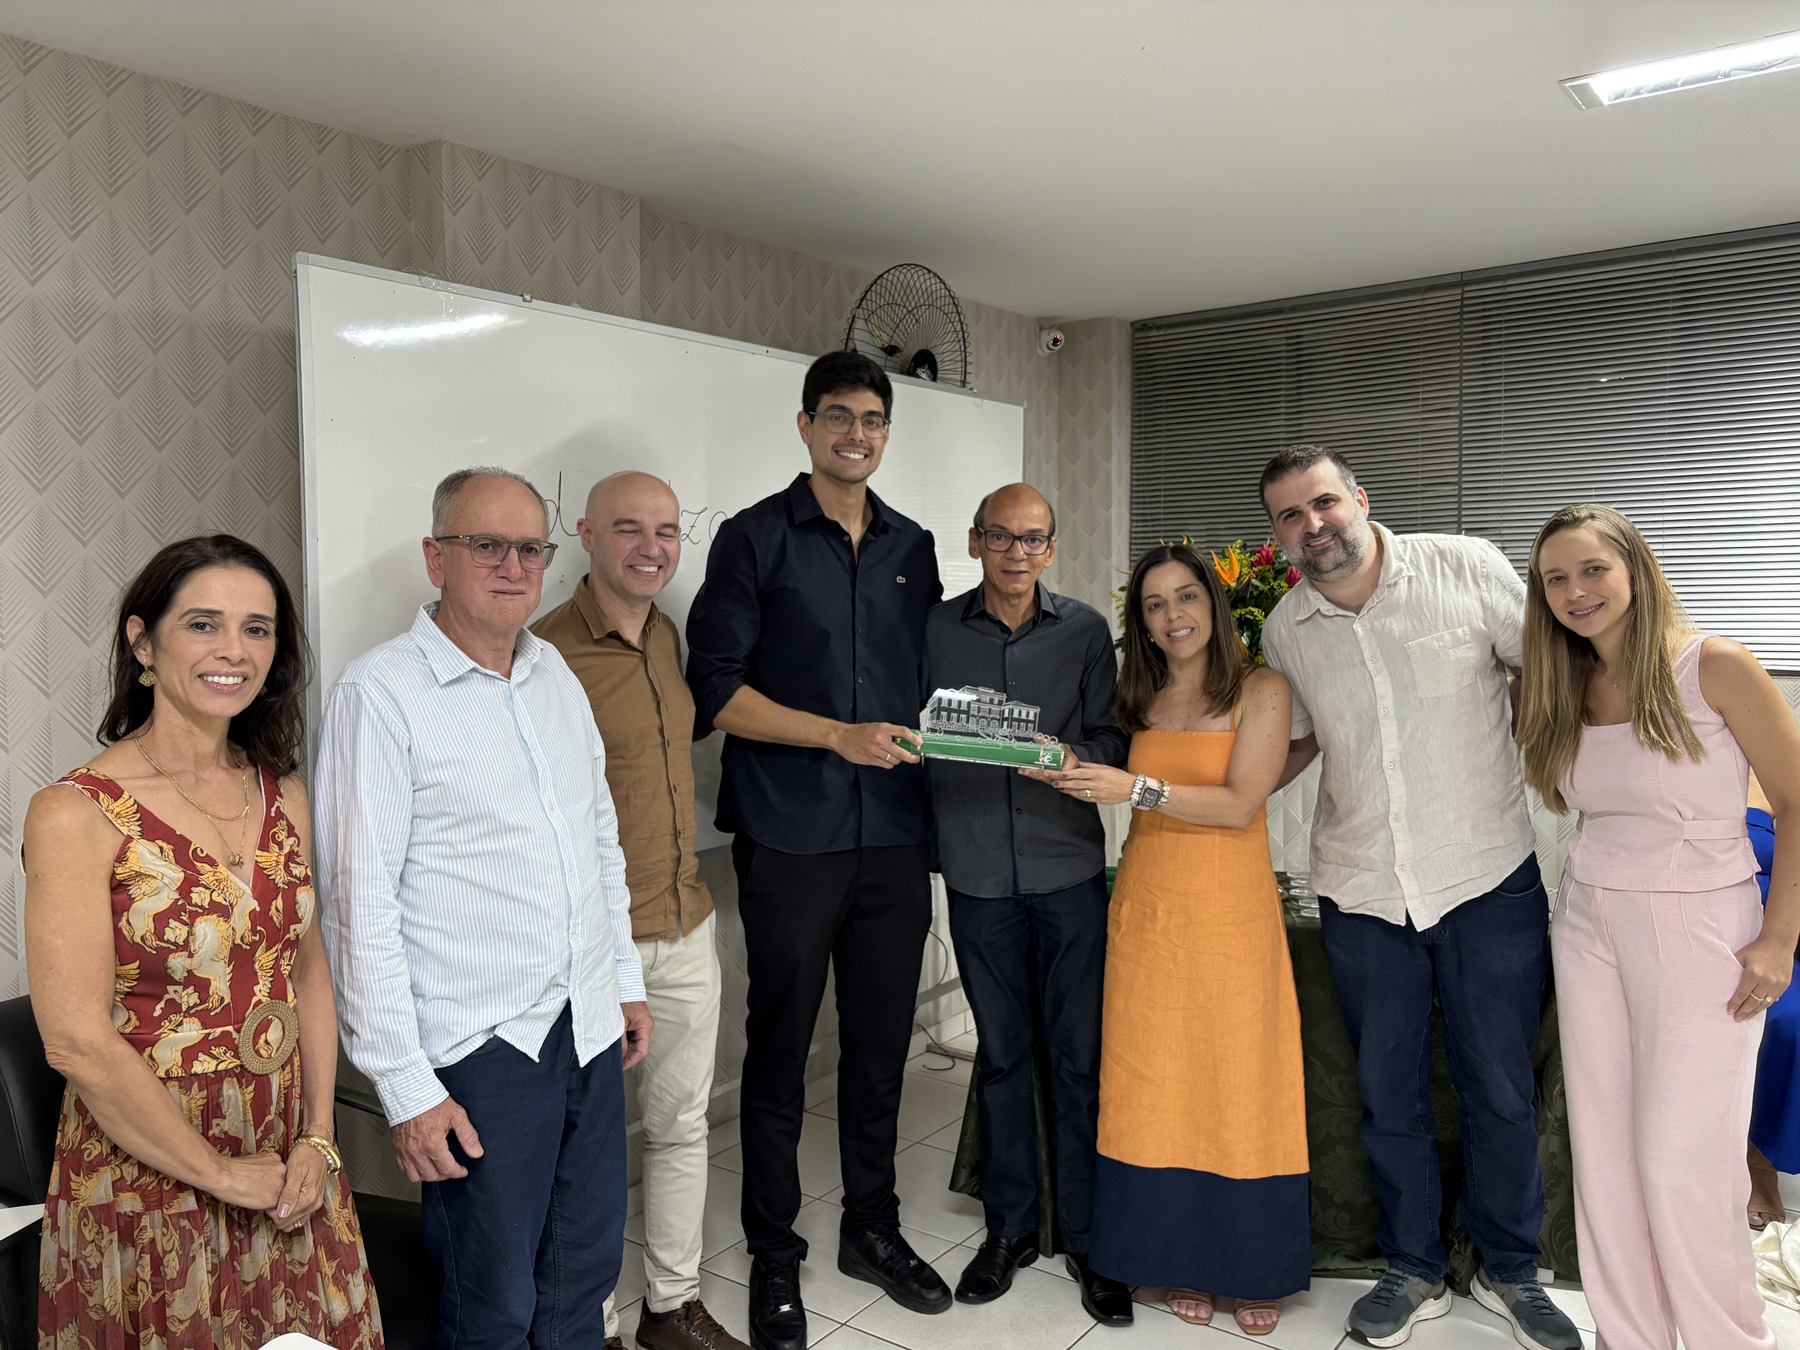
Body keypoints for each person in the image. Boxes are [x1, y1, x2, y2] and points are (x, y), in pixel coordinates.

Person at [315, 468, 649, 1347]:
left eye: (530, 548)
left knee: (582, 1276)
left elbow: (597, 842)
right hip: (480, 1052)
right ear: (437, 558)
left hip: (584, 1026)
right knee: (492, 1302)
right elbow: (357, 909)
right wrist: (404, 1088)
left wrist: (621, 980)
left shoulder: (554, 676)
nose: (512, 565)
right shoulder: (379, 695)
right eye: (486, 545)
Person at [24, 535, 383, 1347]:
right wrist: (220, 1174)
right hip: (149, 1163)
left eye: (257, 629)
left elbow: (305, 970)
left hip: (287, 1152)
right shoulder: (75, 812)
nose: (234, 650)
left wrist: (320, 1137)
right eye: (203, 624)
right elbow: (76, 1039)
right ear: (143, 642)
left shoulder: (282, 791)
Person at [1258, 445, 1579, 1350]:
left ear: (1360, 498)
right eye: (1290, 515)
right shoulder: (1286, 629)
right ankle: (1414, 1267)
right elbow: (1297, 742)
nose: (1313, 525)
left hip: (1487, 880)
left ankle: (1511, 1269)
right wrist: (1202, 793)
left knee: (1499, 1090)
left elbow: (1545, 670)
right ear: (1278, 535)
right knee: (1386, 1094)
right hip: (1361, 890)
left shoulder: (1465, 567)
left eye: (1324, 502)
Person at [685, 351, 948, 1350]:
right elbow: (717, 690)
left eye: (872, 419)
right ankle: (774, 1251)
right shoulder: (754, 539)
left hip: (896, 834)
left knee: (880, 1047)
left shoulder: (914, 546)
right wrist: (836, 735)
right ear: (805, 426)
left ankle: (871, 1228)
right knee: (783, 1049)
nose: (856, 434)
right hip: (792, 833)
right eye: (838, 416)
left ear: (885, 433)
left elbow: (930, 682)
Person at [1520, 502, 1799, 1350]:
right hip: (1587, 919)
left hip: (1700, 923)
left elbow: (1796, 801)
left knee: (1683, 1163)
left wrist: (1779, 939)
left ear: (1635, 569)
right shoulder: (1564, 682)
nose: (1576, 591)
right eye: (1556, 579)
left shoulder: (1713, 665)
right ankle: (1630, 1337)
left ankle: (1726, 1340)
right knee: (1604, 1160)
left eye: (1592, 569)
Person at [1027, 542, 1307, 1338]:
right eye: (1154, 604)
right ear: (1141, 622)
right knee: (1154, 1082)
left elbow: (1240, 802)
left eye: (1185, 596)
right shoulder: (1139, 694)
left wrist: (1135, 788)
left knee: (1239, 1079)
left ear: (1213, 602)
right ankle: (1173, 1259)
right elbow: (1109, 775)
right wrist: (1062, 767)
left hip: (1230, 910)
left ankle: (1251, 1268)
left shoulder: (1262, 688)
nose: (1172, 615)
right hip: (1148, 909)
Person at [531, 471, 748, 1350]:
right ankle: (589, 1324)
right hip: (588, 946)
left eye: (666, 531)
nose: (651, 548)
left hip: (685, 918)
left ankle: (671, 1306)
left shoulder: (667, 634)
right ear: (586, 535)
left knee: (680, 1128)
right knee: (579, 1151)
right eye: (629, 528)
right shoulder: (543, 653)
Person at [922, 483, 1132, 1325]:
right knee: (1003, 1057)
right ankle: (1008, 1230)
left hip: (1067, 871)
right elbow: (913, 727)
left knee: (1079, 1060)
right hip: (977, 874)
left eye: (1034, 538)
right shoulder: (933, 629)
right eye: (1002, 537)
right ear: (975, 542)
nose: (1018, 553)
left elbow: (1113, 737)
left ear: (1052, 547)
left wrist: (1066, 755)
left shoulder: (1085, 631)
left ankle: (1087, 1237)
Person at [1748, 768, 1797, 1229]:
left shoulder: (1777, 769)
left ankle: (1760, 1160)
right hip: (1693, 930)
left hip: (1774, 937)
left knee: (1790, 1019)